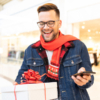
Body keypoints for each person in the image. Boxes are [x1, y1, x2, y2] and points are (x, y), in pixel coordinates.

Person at [14, 3, 94, 100]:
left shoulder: (78, 46)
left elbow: (89, 79)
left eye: (50, 22)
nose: (46, 27)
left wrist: (84, 81)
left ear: (59, 23)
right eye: (42, 23)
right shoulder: (31, 50)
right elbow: (21, 77)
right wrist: (18, 84)